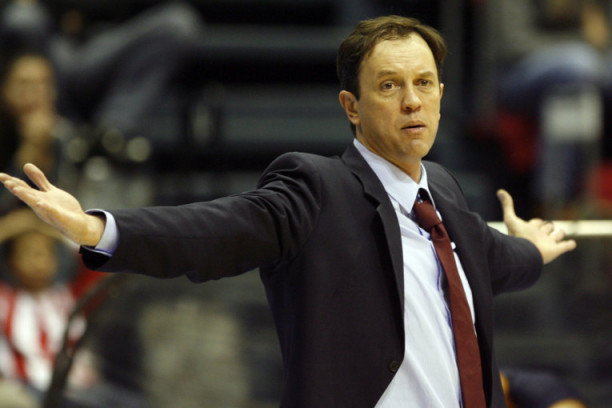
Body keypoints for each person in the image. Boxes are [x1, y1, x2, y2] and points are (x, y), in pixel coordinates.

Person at [0, 15, 577, 408]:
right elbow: (218, 230)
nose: (412, 101)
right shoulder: (318, 188)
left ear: (442, 97)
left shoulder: (443, 192)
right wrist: (97, 227)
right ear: (351, 106)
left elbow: (489, 258)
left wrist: (534, 248)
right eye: (389, 86)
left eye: (424, 83)